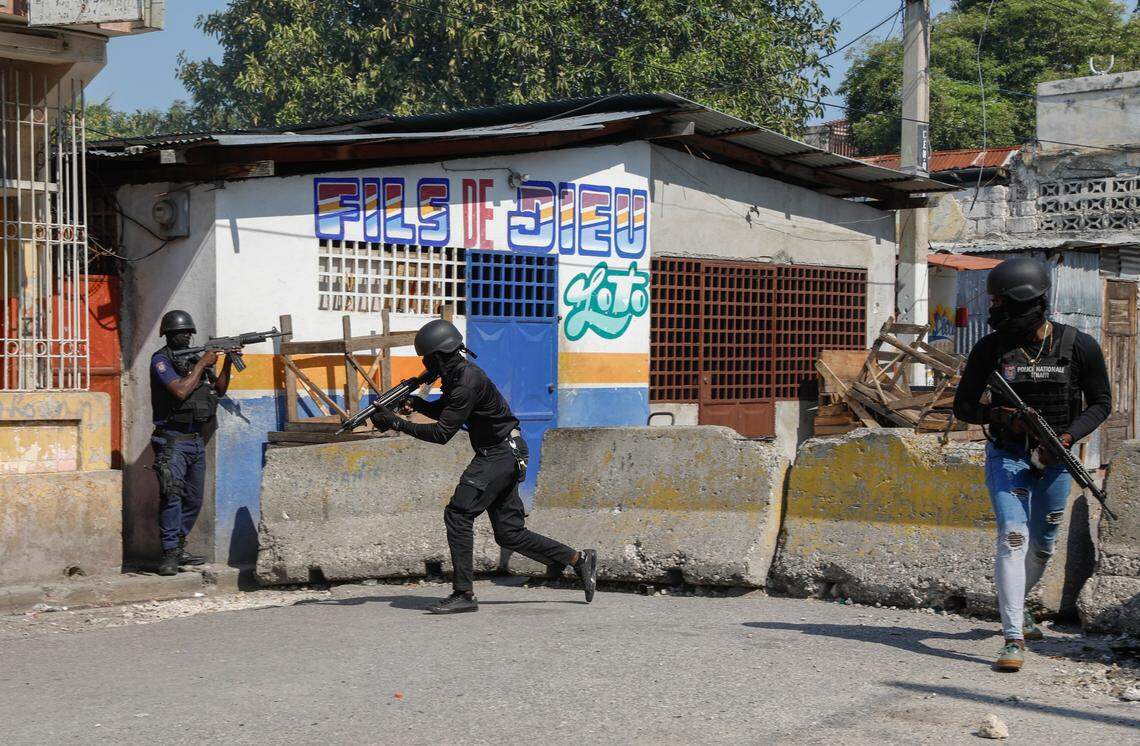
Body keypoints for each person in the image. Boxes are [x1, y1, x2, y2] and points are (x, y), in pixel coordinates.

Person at [369, 319, 597, 614]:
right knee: (510, 534)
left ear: (438, 356)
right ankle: (580, 560)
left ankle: (463, 593)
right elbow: (447, 410)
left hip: (499, 454)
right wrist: (416, 404)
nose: (426, 364)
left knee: (458, 513)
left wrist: (397, 423)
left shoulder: (465, 381)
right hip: (507, 452)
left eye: (427, 359)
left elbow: (442, 433)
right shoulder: (458, 377)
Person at [953, 256, 1110, 672]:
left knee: (1042, 543)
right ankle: (1013, 638)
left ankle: (1019, 608)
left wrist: (1067, 436)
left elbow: (1101, 403)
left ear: (1030, 302)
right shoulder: (990, 349)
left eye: (1002, 303)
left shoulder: (1078, 346)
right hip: (1008, 456)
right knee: (1013, 537)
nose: (995, 311)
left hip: (1057, 459)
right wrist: (1002, 416)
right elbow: (965, 406)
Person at [149, 309, 240, 576]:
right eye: (181, 333)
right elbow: (179, 391)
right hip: (172, 441)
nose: (187, 336)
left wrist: (227, 362)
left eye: (189, 332)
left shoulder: (194, 358)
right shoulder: (161, 361)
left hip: (195, 440)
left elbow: (220, 390)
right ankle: (168, 554)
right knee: (172, 496)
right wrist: (202, 364)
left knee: (193, 498)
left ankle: (178, 547)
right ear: (169, 335)